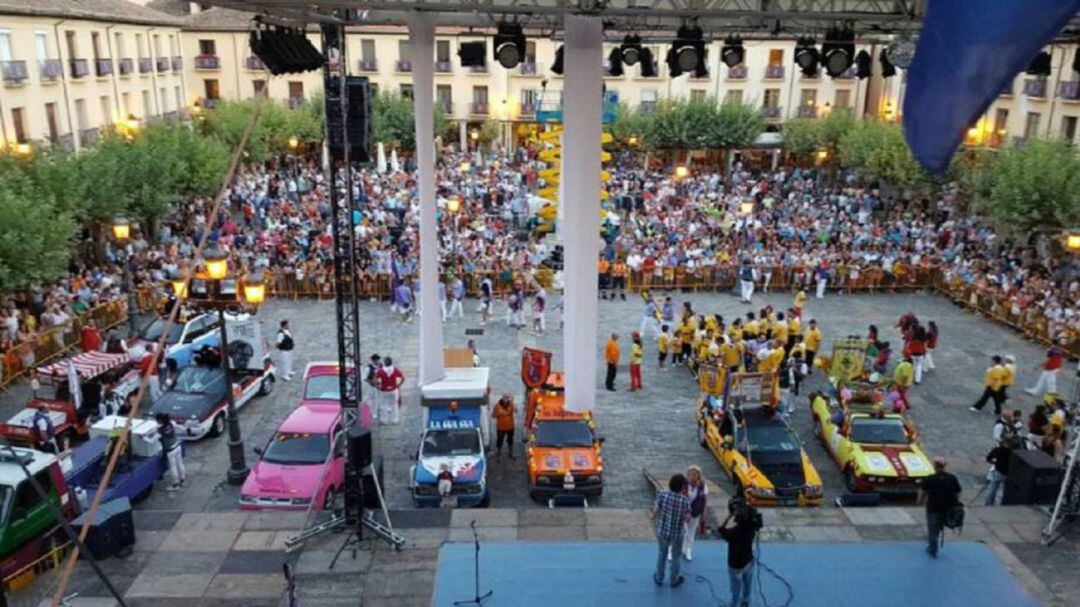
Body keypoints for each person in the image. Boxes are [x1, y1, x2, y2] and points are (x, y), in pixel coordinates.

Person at [718, 497, 760, 607]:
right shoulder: (751, 529)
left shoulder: (733, 533)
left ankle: (734, 604)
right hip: (749, 560)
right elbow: (754, 518)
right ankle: (745, 601)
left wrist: (730, 515)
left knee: (736, 588)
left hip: (735, 565)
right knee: (747, 583)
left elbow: (721, 529)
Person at [650, 474, 691, 588]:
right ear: (682, 487)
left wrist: (652, 515)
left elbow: (655, 511)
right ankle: (674, 579)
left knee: (662, 554)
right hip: (677, 533)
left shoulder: (663, 495)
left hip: (663, 531)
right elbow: (688, 520)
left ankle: (659, 578)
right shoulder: (684, 501)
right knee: (676, 556)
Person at [918, 457, 961, 558]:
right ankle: (935, 540)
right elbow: (957, 492)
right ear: (944, 466)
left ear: (935, 466)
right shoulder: (952, 478)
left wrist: (920, 502)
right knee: (938, 527)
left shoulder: (929, 478)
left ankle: (933, 549)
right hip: (947, 508)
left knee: (932, 529)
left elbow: (922, 492)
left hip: (933, 508)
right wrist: (956, 503)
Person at [682, 465, 708, 562]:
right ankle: (672, 550)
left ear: (698, 475)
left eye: (694, 474)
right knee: (683, 532)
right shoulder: (683, 484)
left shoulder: (703, 485)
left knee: (691, 533)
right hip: (684, 513)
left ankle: (688, 550)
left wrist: (704, 514)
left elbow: (705, 500)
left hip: (696, 512)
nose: (692, 476)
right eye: (690, 474)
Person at [157, 413, 186, 491]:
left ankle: (175, 485)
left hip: (170, 450)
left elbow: (152, 440)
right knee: (180, 463)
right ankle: (183, 479)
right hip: (177, 446)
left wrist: (143, 438)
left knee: (173, 467)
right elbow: (179, 427)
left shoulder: (160, 430)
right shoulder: (171, 424)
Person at [374, 357, 404, 424]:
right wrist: (398, 385)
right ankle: (395, 420)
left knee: (383, 405)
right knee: (394, 404)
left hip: (384, 390)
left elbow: (375, 380)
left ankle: (384, 420)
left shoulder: (380, 371)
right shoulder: (395, 370)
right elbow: (402, 378)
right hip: (393, 389)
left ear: (384, 363)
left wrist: (377, 387)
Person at [984, 438, 1012, 506]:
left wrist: (995, 463)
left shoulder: (997, 450)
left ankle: (988, 504)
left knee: (993, 489)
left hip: (998, 471)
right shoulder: (1013, 451)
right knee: (1007, 490)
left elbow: (988, 458)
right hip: (1009, 473)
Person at [492, 395, 516, 460]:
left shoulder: (511, 405)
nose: (506, 399)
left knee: (510, 440)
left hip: (510, 427)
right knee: (499, 440)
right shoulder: (497, 405)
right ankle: (498, 453)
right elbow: (493, 415)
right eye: (505, 398)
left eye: (507, 398)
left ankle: (511, 452)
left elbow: (516, 410)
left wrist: (513, 403)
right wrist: (498, 414)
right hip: (500, 427)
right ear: (502, 398)